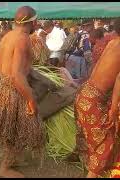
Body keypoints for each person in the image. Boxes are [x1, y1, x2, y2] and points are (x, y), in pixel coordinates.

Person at [0, 6, 44, 178]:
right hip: (12, 89)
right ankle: (4, 168)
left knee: (12, 127)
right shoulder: (23, 38)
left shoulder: (8, 36)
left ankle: (13, 159)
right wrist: (30, 99)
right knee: (16, 129)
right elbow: (17, 75)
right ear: (33, 21)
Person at [74, 18, 120, 178]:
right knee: (106, 144)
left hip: (85, 92)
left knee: (93, 141)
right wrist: (114, 108)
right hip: (94, 98)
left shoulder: (113, 43)